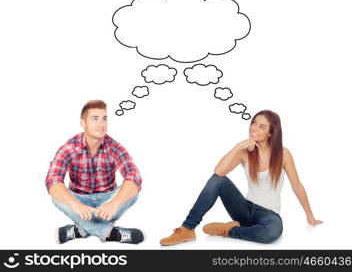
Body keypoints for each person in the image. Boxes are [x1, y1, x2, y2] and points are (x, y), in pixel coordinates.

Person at [160, 110, 322, 245]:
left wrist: (310, 216)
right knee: (218, 180)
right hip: (244, 209)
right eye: (254, 123)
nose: (254, 128)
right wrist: (239, 145)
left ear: (270, 133)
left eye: (261, 126)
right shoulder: (245, 151)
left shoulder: (283, 153)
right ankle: (187, 229)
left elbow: (297, 185)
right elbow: (218, 172)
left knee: (272, 233)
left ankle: (230, 230)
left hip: (268, 214)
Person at [45, 100, 143, 244]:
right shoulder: (69, 147)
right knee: (57, 197)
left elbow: (134, 177)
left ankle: (81, 230)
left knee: (133, 194)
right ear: (83, 123)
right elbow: (52, 180)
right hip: (80, 201)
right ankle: (111, 233)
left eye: (104, 118)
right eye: (95, 119)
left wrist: (114, 203)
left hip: (107, 201)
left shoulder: (114, 146)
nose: (101, 124)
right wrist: (75, 204)